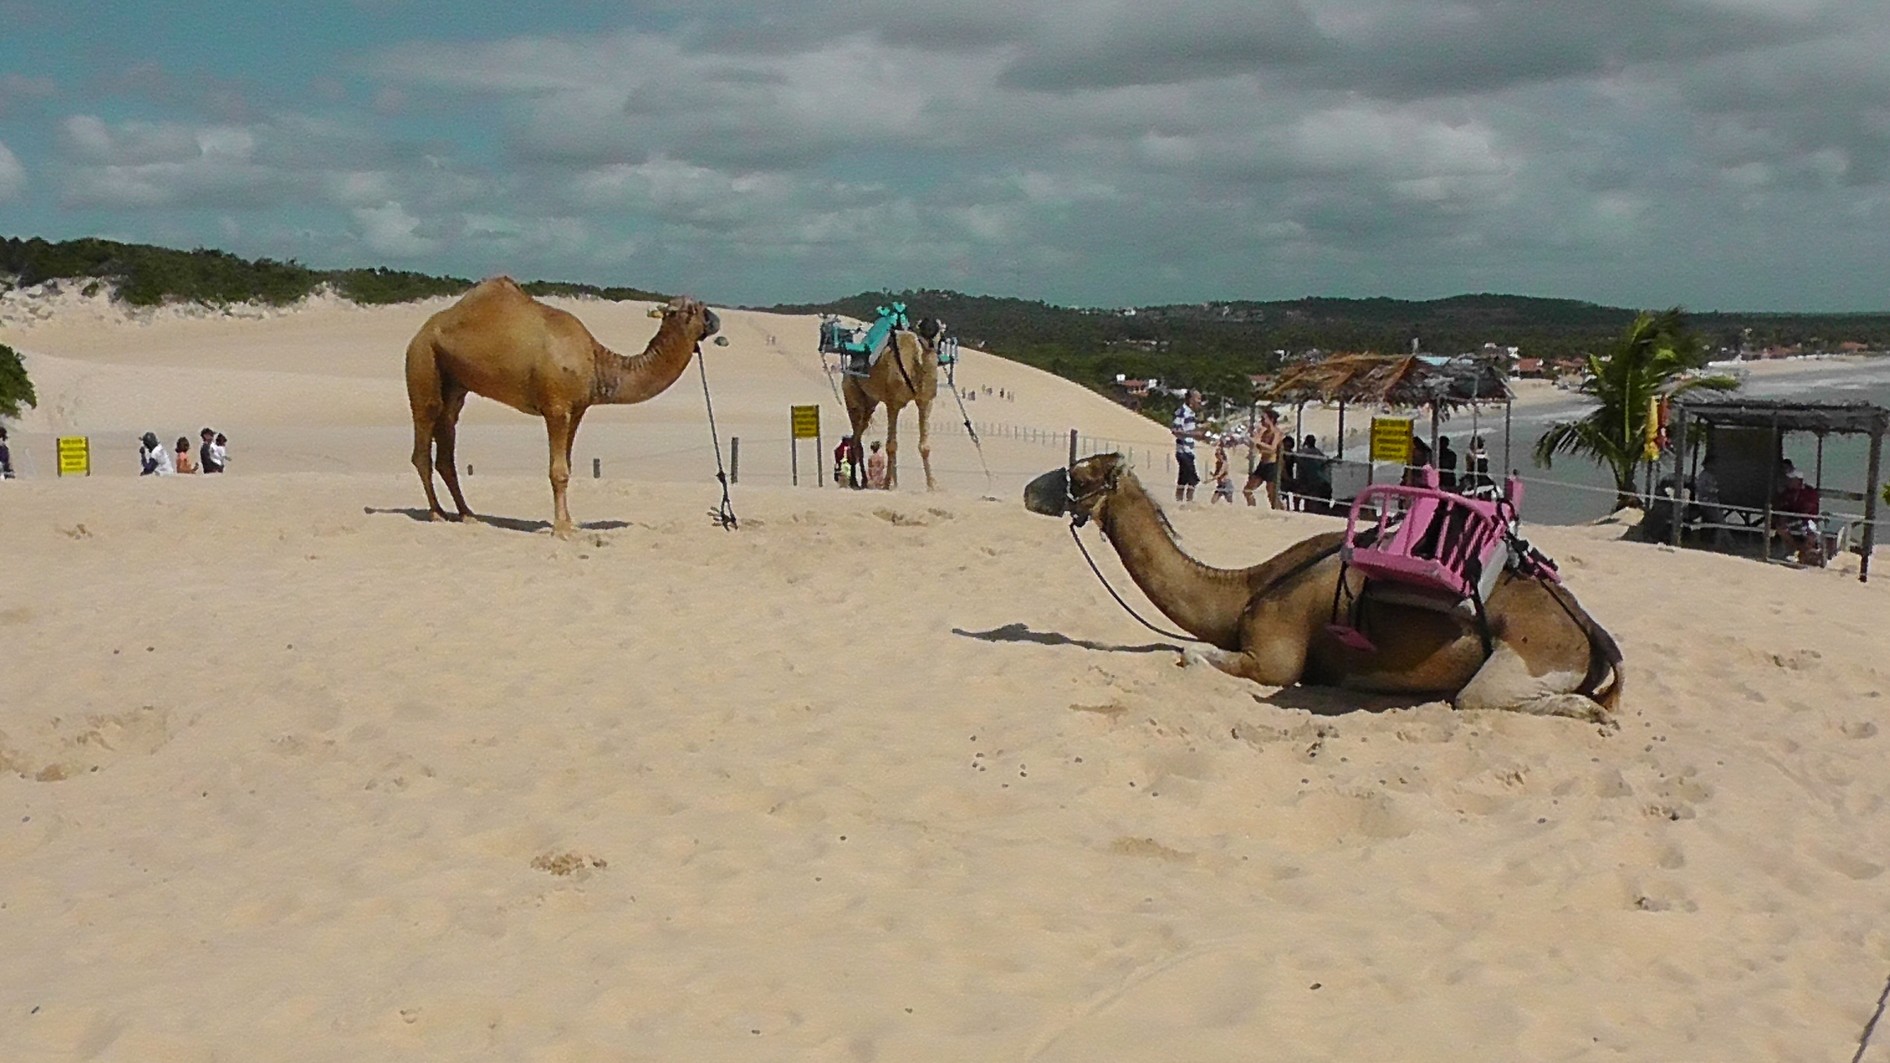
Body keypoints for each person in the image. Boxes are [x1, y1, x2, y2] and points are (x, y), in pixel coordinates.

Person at [1772, 463, 1822, 564]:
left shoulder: (1809, 492)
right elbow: (1782, 507)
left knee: (1811, 534)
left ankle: (1804, 552)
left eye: (1791, 480)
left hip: (1808, 520)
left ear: (1798, 481)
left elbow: (1807, 510)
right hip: (1793, 520)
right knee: (1782, 529)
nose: (1788, 481)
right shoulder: (1787, 493)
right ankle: (1795, 550)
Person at [1243, 406, 1285, 508]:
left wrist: (1258, 442)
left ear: (1271, 420)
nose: (1261, 421)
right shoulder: (1264, 432)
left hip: (1272, 465)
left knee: (1272, 495)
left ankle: (1282, 511)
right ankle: (1252, 508)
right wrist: (1255, 438)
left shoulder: (1276, 433)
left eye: (1264, 418)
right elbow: (1257, 444)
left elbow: (1272, 448)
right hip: (1262, 464)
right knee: (1247, 490)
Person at [1172, 389, 1206, 502]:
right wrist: (1193, 434)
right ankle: (1189, 503)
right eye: (1198, 398)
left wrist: (1199, 431)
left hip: (1189, 450)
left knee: (1183, 480)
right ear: (1191, 399)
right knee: (1193, 480)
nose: (1200, 401)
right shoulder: (1182, 412)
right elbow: (1175, 430)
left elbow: (1188, 430)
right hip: (1183, 451)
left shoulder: (1191, 413)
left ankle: (1179, 502)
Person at [1297, 434, 1333, 513]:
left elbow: (1298, 461)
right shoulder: (1317, 452)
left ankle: (1305, 508)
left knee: (1307, 494)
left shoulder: (1303, 452)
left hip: (1305, 478)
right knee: (1312, 493)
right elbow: (1325, 461)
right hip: (1315, 478)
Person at [1209, 438, 1235, 504]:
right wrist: (1212, 474)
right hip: (1220, 484)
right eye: (1216, 454)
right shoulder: (1218, 463)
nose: (1216, 456)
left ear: (1221, 455)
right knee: (1213, 501)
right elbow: (1216, 474)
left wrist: (1210, 480)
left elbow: (1220, 473)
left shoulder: (1224, 463)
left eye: (1218, 454)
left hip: (1226, 484)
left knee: (1229, 502)